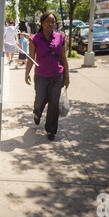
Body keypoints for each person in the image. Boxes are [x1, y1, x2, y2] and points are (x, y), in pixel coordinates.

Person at [25, 12, 70, 141]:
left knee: (54, 104)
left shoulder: (61, 38)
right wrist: (27, 73)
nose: (51, 24)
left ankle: (51, 130)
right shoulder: (34, 39)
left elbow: (64, 58)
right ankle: (37, 113)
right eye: (48, 21)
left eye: (53, 22)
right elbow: (31, 57)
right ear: (42, 23)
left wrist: (67, 76)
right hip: (41, 76)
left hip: (57, 76)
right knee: (39, 101)